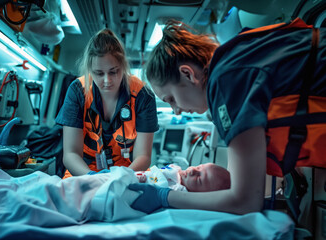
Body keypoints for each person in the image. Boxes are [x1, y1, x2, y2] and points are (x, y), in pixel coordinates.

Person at [128, 18, 326, 215]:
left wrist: (164, 197)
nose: (176, 110)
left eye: (171, 99)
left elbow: (245, 201)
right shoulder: (233, 61)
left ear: (188, 74)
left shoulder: (225, 84)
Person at [56, 29, 159, 178]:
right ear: (90, 70)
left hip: (129, 171)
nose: (107, 81)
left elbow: (143, 156)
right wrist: (93, 179)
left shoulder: (143, 95)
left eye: (113, 72)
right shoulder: (78, 90)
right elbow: (71, 154)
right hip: (84, 171)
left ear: (123, 67)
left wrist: (118, 179)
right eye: (98, 73)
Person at [135, 163, 230, 192]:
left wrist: (145, 182)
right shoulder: (176, 168)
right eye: (198, 167)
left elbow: (157, 191)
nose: (193, 170)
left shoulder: (179, 190)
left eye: (199, 179)